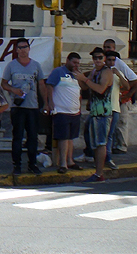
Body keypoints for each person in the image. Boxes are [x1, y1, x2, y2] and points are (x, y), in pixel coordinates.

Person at [1, 37, 48, 176]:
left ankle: (32, 164)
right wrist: (13, 90)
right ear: (16, 50)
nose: (23, 50)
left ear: (29, 48)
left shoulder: (36, 65)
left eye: (25, 47)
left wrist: (45, 103)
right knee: (17, 136)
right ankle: (17, 165)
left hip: (32, 106)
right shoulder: (11, 65)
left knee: (33, 137)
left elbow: (41, 84)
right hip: (18, 107)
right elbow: (4, 83)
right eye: (20, 47)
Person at [74, 47, 113, 182]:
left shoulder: (107, 72)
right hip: (94, 112)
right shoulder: (95, 72)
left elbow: (101, 89)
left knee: (101, 143)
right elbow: (85, 87)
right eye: (95, 57)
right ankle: (98, 172)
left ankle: (99, 173)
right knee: (95, 143)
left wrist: (84, 79)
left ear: (104, 59)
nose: (97, 60)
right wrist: (79, 77)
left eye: (100, 57)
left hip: (103, 112)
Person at [46, 52, 84, 174]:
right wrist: (50, 102)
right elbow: (49, 86)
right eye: (74, 62)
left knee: (71, 138)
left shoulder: (77, 75)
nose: (76, 65)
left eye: (78, 63)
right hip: (61, 111)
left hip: (74, 112)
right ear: (67, 60)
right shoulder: (58, 72)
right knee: (63, 137)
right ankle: (62, 164)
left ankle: (70, 161)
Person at [103, 39, 137, 154]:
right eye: (105, 47)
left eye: (109, 47)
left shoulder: (118, 62)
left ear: (114, 48)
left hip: (122, 99)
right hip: (111, 99)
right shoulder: (105, 62)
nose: (106, 49)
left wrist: (127, 95)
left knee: (121, 123)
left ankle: (121, 146)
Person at [104, 51, 130, 170]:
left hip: (114, 108)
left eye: (113, 60)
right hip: (102, 108)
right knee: (101, 135)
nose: (111, 62)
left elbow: (127, 86)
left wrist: (118, 74)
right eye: (108, 60)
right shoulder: (101, 72)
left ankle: (108, 157)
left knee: (110, 135)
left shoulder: (116, 73)